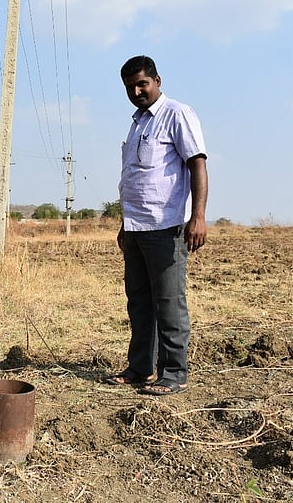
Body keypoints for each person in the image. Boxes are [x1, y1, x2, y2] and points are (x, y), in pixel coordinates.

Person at [102, 55, 209, 396]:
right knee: (139, 302)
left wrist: (199, 216)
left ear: (157, 81)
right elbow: (135, 180)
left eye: (142, 84)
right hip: (135, 229)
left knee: (168, 302)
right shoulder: (137, 123)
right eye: (130, 87)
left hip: (166, 228)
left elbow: (197, 165)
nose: (136, 91)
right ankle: (138, 368)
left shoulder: (176, 114)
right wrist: (124, 225)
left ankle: (174, 373)